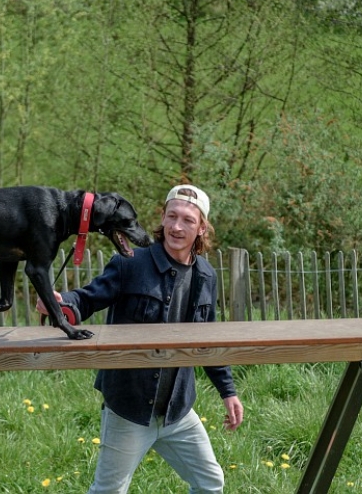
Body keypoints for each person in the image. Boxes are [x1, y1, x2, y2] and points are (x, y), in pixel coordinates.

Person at [52, 185, 243, 494]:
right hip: (129, 408)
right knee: (109, 491)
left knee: (210, 483)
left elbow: (206, 341)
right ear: (162, 218)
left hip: (178, 411)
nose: (177, 227)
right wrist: (61, 304)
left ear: (201, 228)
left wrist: (228, 392)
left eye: (188, 221)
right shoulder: (130, 263)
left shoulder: (206, 276)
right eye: (172, 217)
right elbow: (86, 300)